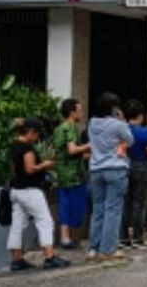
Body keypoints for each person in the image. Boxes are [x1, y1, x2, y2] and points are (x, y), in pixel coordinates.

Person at [7, 118, 69, 272]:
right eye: (36, 135)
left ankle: (17, 259)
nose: (37, 138)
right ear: (30, 132)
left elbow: (14, 168)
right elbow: (30, 169)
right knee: (45, 222)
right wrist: (45, 165)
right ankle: (49, 257)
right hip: (30, 191)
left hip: (16, 190)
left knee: (17, 225)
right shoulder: (27, 147)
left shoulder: (14, 145)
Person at [88, 91, 133, 260]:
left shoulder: (92, 123)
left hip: (95, 169)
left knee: (97, 209)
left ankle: (93, 248)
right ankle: (108, 249)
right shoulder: (117, 124)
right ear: (115, 108)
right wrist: (122, 121)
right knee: (112, 210)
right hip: (115, 167)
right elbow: (130, 141)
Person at [53, 98, 90, 250]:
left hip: (62, 173)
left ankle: (65, 237)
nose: (81, 113)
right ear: (71, 112)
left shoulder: (58, 129)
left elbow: (62, 154)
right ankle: (72, 237)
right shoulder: (70, 128)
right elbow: (72, 150)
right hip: (74, 175)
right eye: (79, 110)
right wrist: (90, 145)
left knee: (65, 206)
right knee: (77, 206)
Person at [122, 99, 147, 249]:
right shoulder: (146, 132)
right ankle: (137, 238)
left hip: (125, 165)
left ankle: (123, 237)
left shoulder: (122, 131)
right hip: (141, 166)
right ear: (140, 116)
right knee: (139, 203)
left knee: (126, 202)